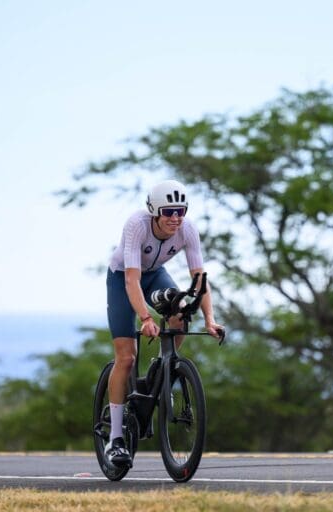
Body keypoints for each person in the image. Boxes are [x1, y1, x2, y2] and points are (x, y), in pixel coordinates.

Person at [104, 179, 223, 467]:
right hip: (123, 277)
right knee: (126, 357)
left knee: (180, 313)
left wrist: (210, 319)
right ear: (154, 211)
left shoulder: (188, 229)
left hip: (156, 273)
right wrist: (145, 318)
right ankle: (116, 438)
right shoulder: (137, 225)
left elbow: (198, 279)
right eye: (169, 211)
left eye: (180, 210)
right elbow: (132, 279)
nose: (175, 218)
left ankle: (163, 367)